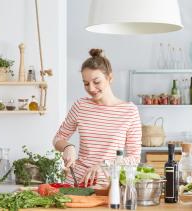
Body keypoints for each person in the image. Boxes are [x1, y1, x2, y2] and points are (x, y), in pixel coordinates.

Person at [53, 48, 142, 187]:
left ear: (110, 78)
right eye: (86, 83)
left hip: (107, 187)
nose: (91, 88)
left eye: (96, 82)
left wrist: (105, 165)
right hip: (76, 184)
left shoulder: (129, 111)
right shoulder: (80, 106)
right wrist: (67, 147)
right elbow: (58, 139)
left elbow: (134, 158)